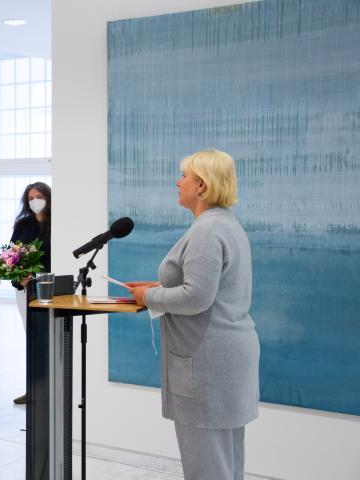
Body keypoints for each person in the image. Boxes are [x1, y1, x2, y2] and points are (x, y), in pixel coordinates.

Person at [127, 150, 259, 480]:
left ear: (201, 186)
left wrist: (149, 295)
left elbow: (197, 297)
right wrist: (159, 286)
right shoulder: (227, 225)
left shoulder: (207, 230)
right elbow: (207, 287)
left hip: (207, 364)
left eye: (183, 175)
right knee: (227, 462)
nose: (178, 181)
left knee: (207, 467)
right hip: (226, 359)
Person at [9, 182, 51, 405]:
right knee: (33, 340)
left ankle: (52, 388)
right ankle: (33, 389)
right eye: (31, 197)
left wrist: (38, 275)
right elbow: (11, 255)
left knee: (50, 340)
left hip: (49, 289)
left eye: (39, 196)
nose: (35, 201)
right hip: (25, 290)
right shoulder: (23, 224)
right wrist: (20, 275)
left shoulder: (57, 223)